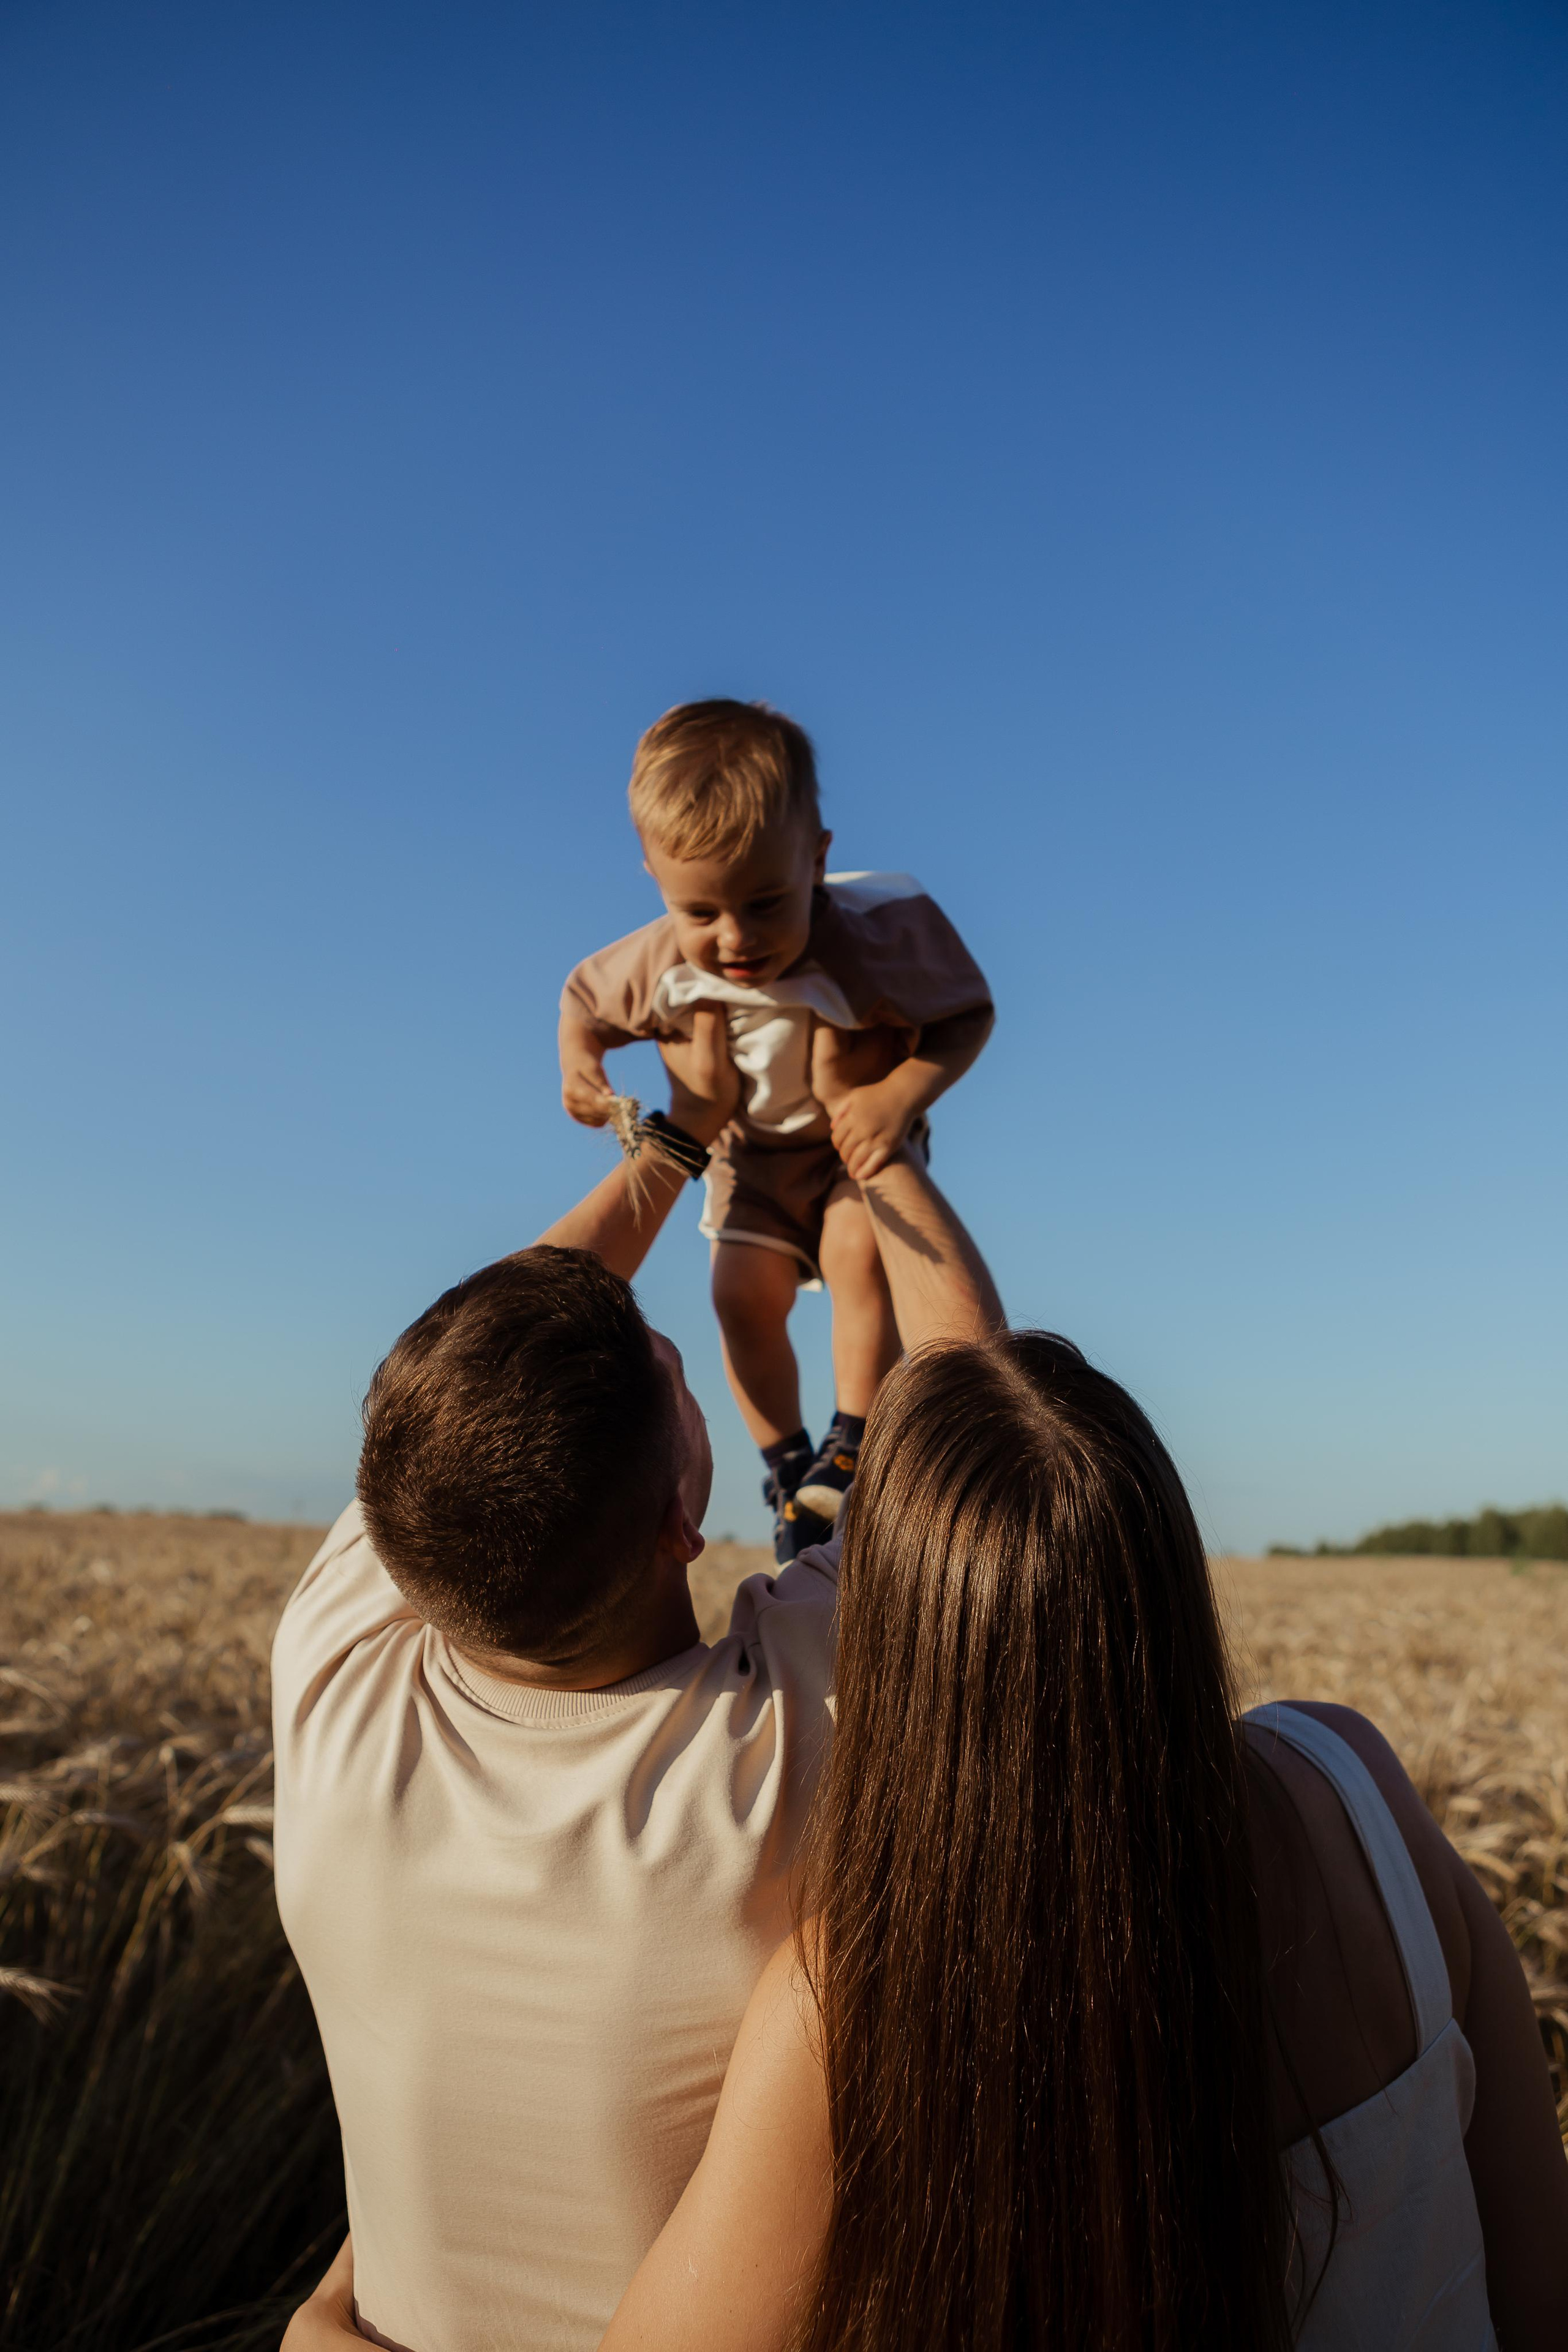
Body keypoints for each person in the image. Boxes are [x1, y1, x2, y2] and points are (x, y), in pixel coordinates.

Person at [285, 1340, 1568, 2350]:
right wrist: (887, 1145)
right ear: (1168, 1575)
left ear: (887, 1639)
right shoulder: (1359, 1794)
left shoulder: (854, 2002)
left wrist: (326, 2325)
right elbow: (1538, 2290)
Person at [271, 1012, 1002, 2352]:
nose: (675, 1352)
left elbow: (471, 1346)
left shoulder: (334, 1676)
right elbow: (975, 1407)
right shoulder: (801, 1725)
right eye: (671, 1372)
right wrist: (875, 1142)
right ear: (681, 1519)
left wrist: (671, 1140)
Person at [558, 698, 993, 1559]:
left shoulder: (874, 934)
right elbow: (583, 1003)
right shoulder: (658, 964)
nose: (735, 939)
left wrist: (899, 1095)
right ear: (654, 878)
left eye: (766, 903)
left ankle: (854, 1440)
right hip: (746, 1158)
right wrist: (584, 1070)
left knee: (860, 1255)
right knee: (738, 1296)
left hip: (850, 1148)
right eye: (702, 913)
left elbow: (966, 1013)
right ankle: (790, 1464)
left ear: (819, 861)